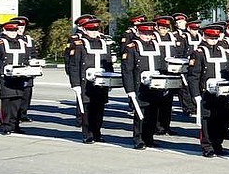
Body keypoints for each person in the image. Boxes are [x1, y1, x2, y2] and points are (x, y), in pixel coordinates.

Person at [185, 23, 229, 157]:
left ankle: (218, 144)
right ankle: (207, 146)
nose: (213, 40)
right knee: (208, 121)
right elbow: (193, 76)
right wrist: (196, 95)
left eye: (215, 37)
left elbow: (228, 72)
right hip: (206, 93)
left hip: (223, 92)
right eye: (211, 37)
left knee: (221, 119)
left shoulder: (222, 50)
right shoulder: (198, 53)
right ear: (204, 36)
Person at [66, 16, 115, 143]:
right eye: (91, 29)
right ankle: (87, 134)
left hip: (102, 82)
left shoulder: (104, 43)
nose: (94, 32)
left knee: (99, 109)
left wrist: (111, 80)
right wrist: (75, 84)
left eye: (96, 29)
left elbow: (108, 63)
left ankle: (97, 133)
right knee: (87, 110)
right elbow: (74, 65)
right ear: (85, 30)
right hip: (86, 83)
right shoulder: (79, 44)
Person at [120, 21, 168, 150]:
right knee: (141, 115)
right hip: (139, 87)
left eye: (149, 33)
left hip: (156, 86)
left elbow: (162, 67)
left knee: (153, 114)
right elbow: (127, 70)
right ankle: (138, 139)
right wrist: (130, 90)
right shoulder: (132, 47)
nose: (147, 36)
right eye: (145, 33)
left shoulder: (157, 46)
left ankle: (149, 138)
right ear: (139, 33)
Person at [0, 20, 36, 134]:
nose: (13, 33)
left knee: (17, 103)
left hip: (19, 78)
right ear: (4, 30)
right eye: (10, 30)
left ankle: (15, 125)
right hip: (5, 79)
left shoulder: (22, 43)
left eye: (14, 30)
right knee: (7, 104)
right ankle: (5, 126)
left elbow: (27, 60)